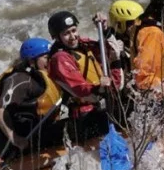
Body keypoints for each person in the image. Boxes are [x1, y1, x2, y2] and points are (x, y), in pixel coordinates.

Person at [47, 11, 124, 143]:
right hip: (83, 116)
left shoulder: (84, 45)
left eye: (74, 30)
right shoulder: (59, 58)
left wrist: (104, 29)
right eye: (66, 33)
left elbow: (113, 51)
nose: (72, 37)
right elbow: (79, 89)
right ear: (57, 37)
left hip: (103, 107)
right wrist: (99, 87)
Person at [0, 37, 65, 159]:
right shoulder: (19, 79)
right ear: (32, 61)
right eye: (47, 58)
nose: (51, 61)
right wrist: (14, 138)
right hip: (22, 142)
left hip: (43, 131)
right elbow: (0, 111)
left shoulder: (47, 76)